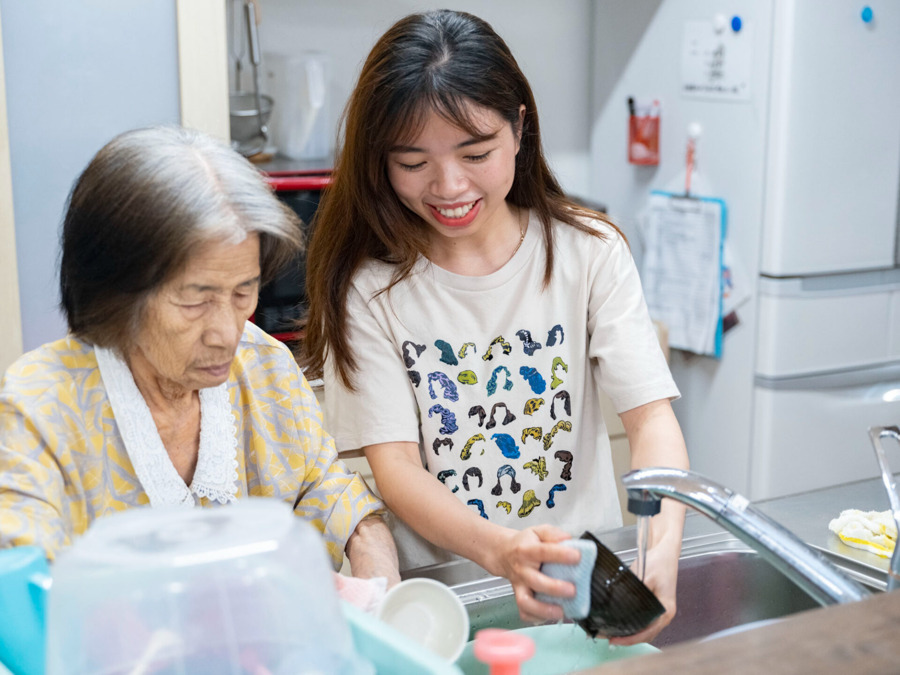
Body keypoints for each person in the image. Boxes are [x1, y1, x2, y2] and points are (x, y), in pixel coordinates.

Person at [302, 9, 689, 643]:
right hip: (452, 603)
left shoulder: (588, 251)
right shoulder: (371, 289)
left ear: (519, 129)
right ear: (378, 161)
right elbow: (396, 469)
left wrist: (661, 548)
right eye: (411, 162)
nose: (448, 185)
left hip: (581, 588)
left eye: (475, 152)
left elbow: (651, 420)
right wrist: (503, 551)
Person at [0, 126, 400, 586]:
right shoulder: (40, 407)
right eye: (195, 300)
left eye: (243, 291)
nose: (227, 334)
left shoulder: (263, 365)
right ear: (116, 292)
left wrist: (377, 579)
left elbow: (331, 493)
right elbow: (25, 587)